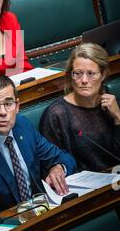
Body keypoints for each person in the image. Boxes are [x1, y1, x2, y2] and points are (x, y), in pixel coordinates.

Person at [0, 75, 76, 219]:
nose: (3, 112)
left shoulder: (22, 125)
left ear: (17, 106)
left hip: (45, 212)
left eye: (8, 103)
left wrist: (59, 168)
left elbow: (65, 158)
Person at [40, 43, 120, 172]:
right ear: (71, 75)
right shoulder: (56, 114)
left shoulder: (111, 104)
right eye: (78, 73)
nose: (84, 80)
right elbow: (51, 164)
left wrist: (118, 118)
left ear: (103, 75)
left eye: (91, 74)